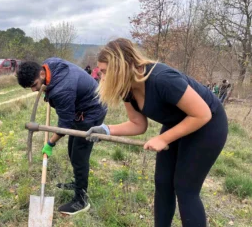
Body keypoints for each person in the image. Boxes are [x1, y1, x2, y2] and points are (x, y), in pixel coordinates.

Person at [85, 38, 228, 227]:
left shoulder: (163, 79)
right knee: (163, 184)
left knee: (185, 188)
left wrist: (164, 138)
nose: (101, 77)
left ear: (120, 67)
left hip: (208, 125)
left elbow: (202, 114)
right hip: (177, 122)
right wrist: (107, 129)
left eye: (104, 71)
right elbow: (137, 124)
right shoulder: (126, 88)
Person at [16, 58, 107, 215]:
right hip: (80, 108)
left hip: (92, 111)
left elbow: (64, 126)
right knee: (72, 150)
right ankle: (78, 182)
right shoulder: (50, 64)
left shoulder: (62, 90)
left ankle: (81, 200)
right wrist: (47, 92)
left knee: (79, 156)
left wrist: (50, 144)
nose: (33, 90)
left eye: (34, 85)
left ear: (42, 73)